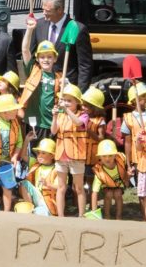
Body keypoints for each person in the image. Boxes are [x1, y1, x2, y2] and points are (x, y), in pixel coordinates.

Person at [29, 0, 93, 90]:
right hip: (42, 85)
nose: (44, 13)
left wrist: (79, 93)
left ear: (59, 10)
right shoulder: (39, 25)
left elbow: (85, 65)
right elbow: (31, 55)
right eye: (43, 10)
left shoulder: (77, 29)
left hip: (66, 88)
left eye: (48, 11)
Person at [51, 84, 88, 217]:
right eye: (65, 100)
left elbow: (78, 123)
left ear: (77, 102)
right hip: (61, 155)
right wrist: (55, 116)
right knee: (61, 187)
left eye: (69, 100)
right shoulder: (61, 116)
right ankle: (60, 216)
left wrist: (66, 111)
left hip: (76, 156)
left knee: (78, 188)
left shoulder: (83, 115)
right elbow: (53, 131)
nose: (66, 103)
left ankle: (81, 215)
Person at [19, 39, 62, 141]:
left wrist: (66, 84)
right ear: (37, 59)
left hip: (51, 123)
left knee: (47, 152)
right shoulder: (33, 70)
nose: (45, 60)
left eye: (49, 57)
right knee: (33, 154)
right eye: (42, 57)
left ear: (55, 59)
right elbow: (25, 50)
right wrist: (30, 29)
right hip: (34, 122)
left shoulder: (59, 77)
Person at [91, 139, 128, 220]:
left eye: (110, 155)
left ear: (115, 155)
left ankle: (119, 216)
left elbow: (127, 166)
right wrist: (94, 211)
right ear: (99, 157)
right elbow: (94, 192)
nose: (107, 159)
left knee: (118, 194)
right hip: (107, 187)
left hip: (118, 185)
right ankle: (107, 215)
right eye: (104, 156)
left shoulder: (121, 160)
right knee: (109, 194)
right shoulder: (99, 171)